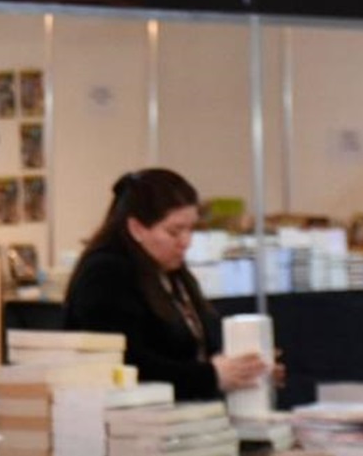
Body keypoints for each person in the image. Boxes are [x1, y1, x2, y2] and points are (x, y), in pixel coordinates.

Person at [61, 168, 279, 401]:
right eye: (174, 231)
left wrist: (244, 369)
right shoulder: (106, 274)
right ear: (136, 228)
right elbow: (126, 362)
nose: (186, 242)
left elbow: (196, 347)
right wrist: (211, 375)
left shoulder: (171, 271)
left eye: (191, 229)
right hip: (133, 419)